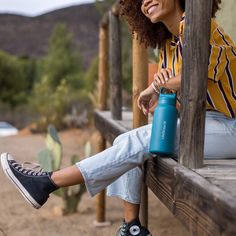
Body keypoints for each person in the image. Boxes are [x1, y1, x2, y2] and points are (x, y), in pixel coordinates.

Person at [1, 0, 236, 235]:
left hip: (231, 127)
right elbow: (187, 98)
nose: (146, 2)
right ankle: (132, 227)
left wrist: (155, 86)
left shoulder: (202, 27)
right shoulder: (167, 45)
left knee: (139, 141)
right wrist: (163, 99)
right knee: (126, 141)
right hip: (206, 125)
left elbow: (196, 74)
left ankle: (48, 182)